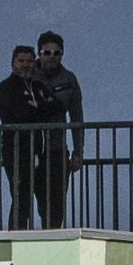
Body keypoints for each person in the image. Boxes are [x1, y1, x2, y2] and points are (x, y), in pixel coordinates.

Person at [0, 44, 60, 231]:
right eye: (21, 61)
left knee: (47, 202)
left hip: (40, 152)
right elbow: (18, 114)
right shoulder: (6, 87)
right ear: (12, 63)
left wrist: (36, 106)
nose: (25, 65)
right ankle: (15, 242)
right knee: (21, 200)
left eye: (30, 61)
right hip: (17, 153)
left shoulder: (39, 86)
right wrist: (39, 107)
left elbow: (56, 107)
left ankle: (51, 244)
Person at [34, 30, 82, 226]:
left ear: (62, 54)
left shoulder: (69, 79)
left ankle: (52, 238)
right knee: (33, 201)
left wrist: (78, 151)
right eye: (47, 53)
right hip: (33, 149)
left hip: (57, 150)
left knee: (56, 206)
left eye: (56, 53)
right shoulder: (29, 76)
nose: (52, 57)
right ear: (39, 53)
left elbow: (77, 116)